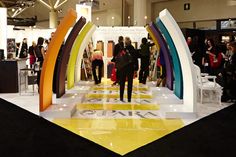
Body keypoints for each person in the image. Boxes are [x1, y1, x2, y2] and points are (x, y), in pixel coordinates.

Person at [119, 37, 138, 102]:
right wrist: (136, 68)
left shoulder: (123, 50)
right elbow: (136, 60)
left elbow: (120, 59)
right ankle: (129, 98)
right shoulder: (133, 50)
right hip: (130, 68)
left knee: (122, 82)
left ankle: (121, 97)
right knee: (130, 83)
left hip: (123, 68)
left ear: (125, 43)